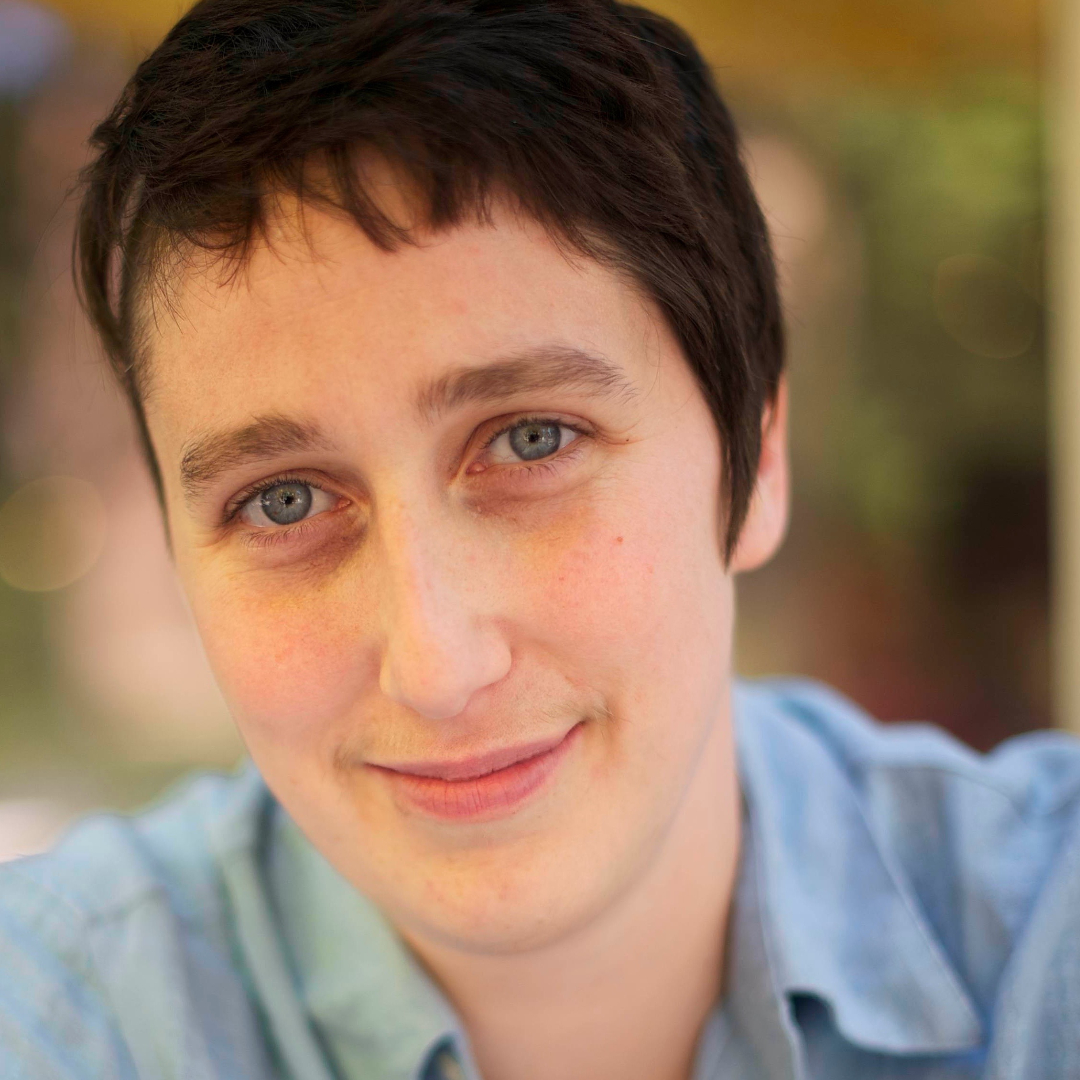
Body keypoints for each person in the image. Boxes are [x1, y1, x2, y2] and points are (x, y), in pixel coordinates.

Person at [2, 0, 1078, 1077]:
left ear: (759, 456)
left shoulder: (1043, 938)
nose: (436, 665)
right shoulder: (59, 1015)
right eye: (284, 501)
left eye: (530, 439)